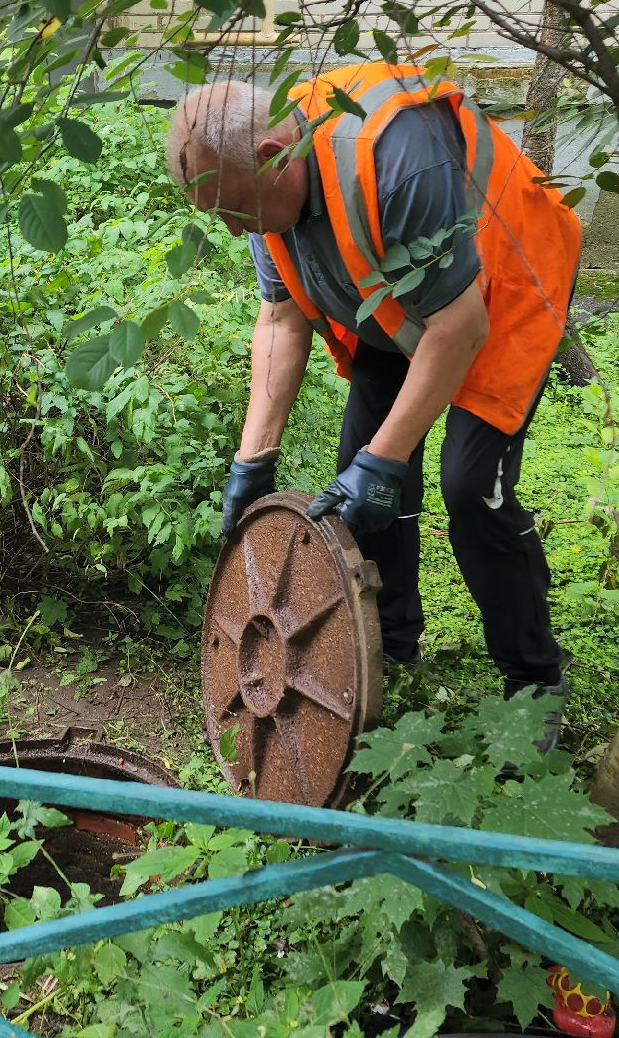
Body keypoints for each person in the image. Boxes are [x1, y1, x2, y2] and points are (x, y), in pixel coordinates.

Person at [166, 62, 582, 748]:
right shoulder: (255, 183)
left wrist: (383, 463)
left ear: (274, 159)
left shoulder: (394, 157)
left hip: (502, 291)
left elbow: (459, 326)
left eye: (237, 210)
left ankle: (533, 679)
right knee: (356, 477)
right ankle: (391, 642)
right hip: (395, 303)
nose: (238, 226)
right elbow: (279, 320)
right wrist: (254, 460)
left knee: (470, 486)